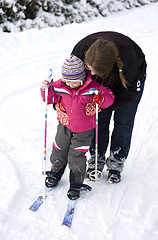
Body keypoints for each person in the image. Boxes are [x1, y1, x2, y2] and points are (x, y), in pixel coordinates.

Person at [71, 31, 147, 183]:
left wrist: (105, 105)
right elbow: (71, 82)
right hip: (98, 86)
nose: (89, 72)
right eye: (88, 68)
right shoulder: (79, 52)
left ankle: (116, 162)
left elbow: (130, 93)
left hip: (127, 84)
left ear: (108, 70)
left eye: (93, 71)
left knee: (123, 121)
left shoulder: (128, 62)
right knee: (99, 121)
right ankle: (96, 159)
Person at [40, 55, 114, 199]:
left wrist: (101, 98)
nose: (69, 84)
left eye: (74, 82)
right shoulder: (60, 86)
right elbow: (48, 99)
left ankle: (76, 182)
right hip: (64, 125)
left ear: (82, 78)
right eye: (66, 81)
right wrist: (46, 89)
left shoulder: (93, 88)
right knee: (59, 149)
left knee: (76, 155)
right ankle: (55, 171)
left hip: (84, 130)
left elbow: (109, 97)